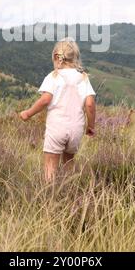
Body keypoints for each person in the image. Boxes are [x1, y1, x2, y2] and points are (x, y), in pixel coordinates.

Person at [19, 38, 96, 182]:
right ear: (75, 57)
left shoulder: (53, 76)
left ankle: (50, 196)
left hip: (57, 128)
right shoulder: (83, 77)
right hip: (76, 129)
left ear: (56, 57)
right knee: (68, 163)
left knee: (50, 166)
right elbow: (90, 104)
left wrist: (28, 113)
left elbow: (45, 99)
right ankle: (70, 192)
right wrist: (90, 126)